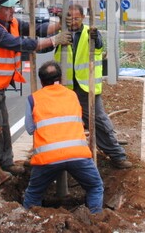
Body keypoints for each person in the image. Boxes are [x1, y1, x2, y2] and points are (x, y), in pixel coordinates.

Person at [0, 0, 71, 180]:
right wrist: (54, 40)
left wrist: (59, 25)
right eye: (7, 8)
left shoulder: (12, 23)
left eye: (12, 7)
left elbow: (37, 29)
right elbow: (20, 43)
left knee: (3, 125)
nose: (12, 11)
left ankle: (6, 162)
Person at [53, 4, 132, 169]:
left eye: (76, 18)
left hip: (86, 87)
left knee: (99, 122)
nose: (73, 22)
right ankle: (67, 157)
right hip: (66, 88)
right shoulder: (61, 34)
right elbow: (43, 47)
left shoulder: (90, 33)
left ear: (82, 17)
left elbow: (99, 46)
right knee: (66, 124)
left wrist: (95, 38)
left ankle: (117, 156)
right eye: (70, 18)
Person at [23, 61, 104, 214]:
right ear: (60, 79)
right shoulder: (72, 95)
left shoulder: (33, 99)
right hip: (77, 155)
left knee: (33, 193)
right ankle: (95, 218)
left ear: (41, 81)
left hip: (47, 158)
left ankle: (28, 221)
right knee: (95, 187)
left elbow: (29, 128)